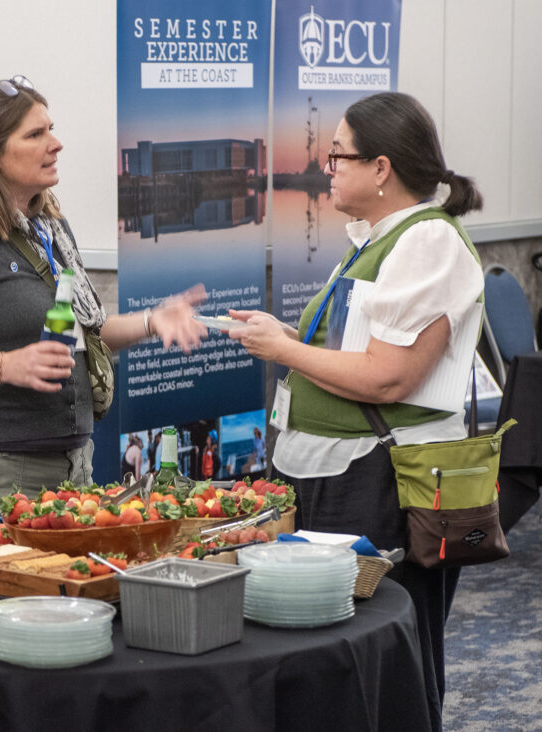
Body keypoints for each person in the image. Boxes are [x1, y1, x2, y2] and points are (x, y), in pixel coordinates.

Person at [228, 91, 484, 732]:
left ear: (381, 168)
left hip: (381, 482)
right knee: (336, 652)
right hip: (345, 475)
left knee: (384, 650)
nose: (326, 169)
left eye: (337, 155)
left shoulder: (427, 243)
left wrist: (284, 347)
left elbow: (389, 375)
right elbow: (355, 353)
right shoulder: (383, 240)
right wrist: (284, 337)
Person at [0, 75, 208, 510]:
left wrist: (151, 321)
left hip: (73, 469)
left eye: (51, 128)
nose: (57, 143)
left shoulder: (50, 230)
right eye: (35, 134)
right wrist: (7, 365)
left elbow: (88, 330)